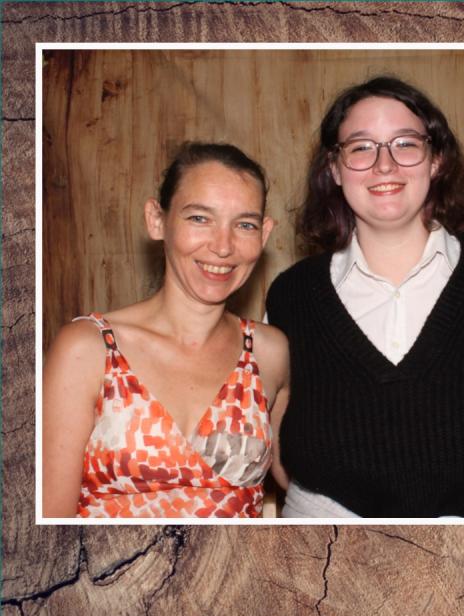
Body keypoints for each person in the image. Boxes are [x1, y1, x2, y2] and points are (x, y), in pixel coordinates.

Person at [265, 76, 464, 518]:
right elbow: (278, 454)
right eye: (361, 147)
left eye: (405, 144)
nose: (384, 165)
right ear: (334, 168)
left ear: (437, 160)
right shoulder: (291, 296)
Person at [42, 143, 288, 518]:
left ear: (264, 233)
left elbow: (307, 477)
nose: (223, 247)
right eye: (200, 218)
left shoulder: (269, 352)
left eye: (245, 225)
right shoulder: (88, 349)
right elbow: (47, 525)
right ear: (157, 220)